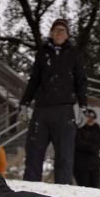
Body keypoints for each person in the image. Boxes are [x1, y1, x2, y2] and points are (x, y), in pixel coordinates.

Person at [20, 18, 88, 185]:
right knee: (34, 151)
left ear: (67, 35)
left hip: (65, 111)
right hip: (42, 110)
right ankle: (30, 188)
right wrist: (24, 103)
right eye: (56, 30)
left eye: (63, 30)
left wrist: (83, 107)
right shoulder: (42, 53)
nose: (59, 33)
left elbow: (81, 81)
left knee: (65, 154)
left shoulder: (74, 54)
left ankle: (63, 191)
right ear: (51, 33)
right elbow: (34, 80)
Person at [73, 109, 100, 188]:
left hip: (95, 164)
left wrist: (92, 146)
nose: (91, 119)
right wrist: (92, 147)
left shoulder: (97, 128)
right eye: (88, 117)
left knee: (94, 187)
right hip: (81, 164)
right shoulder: (78, 128)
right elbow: (78, 143)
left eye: (93, 117)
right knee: (84, 187)